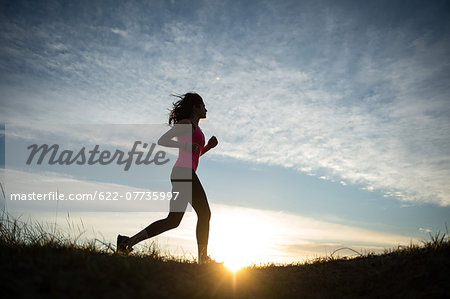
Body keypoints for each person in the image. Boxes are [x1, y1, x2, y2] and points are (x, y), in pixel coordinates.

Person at [117, 93, 218, 264]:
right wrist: (185, 145)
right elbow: (163, 140)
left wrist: (208, 146)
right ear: (195, 107)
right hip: (184, 172)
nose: (206, 109)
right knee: (205, 214)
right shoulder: (187, 123)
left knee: (173, 221)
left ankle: (126, 243)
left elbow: (194, 154)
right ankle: (203, 259)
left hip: (183, 172)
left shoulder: (196, 128)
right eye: (203, 105)